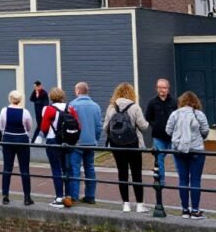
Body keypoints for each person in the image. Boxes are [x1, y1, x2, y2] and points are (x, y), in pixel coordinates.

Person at [103, 82, 149, 213]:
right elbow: (143, 126)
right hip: (133, 144)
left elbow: (105, 127)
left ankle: (126, 205)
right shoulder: (135, 107)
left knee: (122, 173)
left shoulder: (111, 107)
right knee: (136, 174)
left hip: (117, 145)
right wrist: (146, 123)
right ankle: (139, 205)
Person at [165, 91, 210, 219]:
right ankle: (195, 210)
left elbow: (168, 130)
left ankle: (185, 210)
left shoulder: (175, 114)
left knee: (183, 179)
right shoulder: (199, 114)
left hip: (178, 150)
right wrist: (198, 138)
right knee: (195, 180)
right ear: (196, 102)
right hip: (196, 150)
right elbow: (205, 131)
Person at [39, 87, 79, 208]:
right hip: (68, 142)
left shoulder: (49, 109)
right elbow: (78, 125)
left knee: (56, 169)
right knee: (67, 169)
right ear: (63, 96)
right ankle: (68, 196)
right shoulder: (70, 108)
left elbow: (44, 127)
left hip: (53, 141)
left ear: (51, 97)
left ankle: (59, 198)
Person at [68, 82, 102, 205]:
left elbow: (69, 124)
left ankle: (74, 196)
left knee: (75, 169)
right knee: (90, 168)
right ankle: (90, 196)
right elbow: (99, 127)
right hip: (91, 142)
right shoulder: (96, 106)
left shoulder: (72, 105)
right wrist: (95, 139)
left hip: (77, 143)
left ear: (77, 91)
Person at [0, 90, 33, 206]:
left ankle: (5, 196)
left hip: (8, 139)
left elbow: (1, 126)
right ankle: (27, 197)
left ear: (10, 99)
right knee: (25, 169)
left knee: (7, 168)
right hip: (22, 140)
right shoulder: (25, 112)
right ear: (20, 100)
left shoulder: (4, 111)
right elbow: (29, 127)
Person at [144, 78, 177, 185]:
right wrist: (156, 125)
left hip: (173, 136)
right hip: (158, 136)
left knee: (177, 158)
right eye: (159, 87)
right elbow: (148, 117)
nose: (162, 90)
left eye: (164, 87)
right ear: (156, 89)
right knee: (159, 158)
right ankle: (160, 181)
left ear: (168, 89)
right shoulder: (152, 102)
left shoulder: (174, 102)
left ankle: (182, 181)